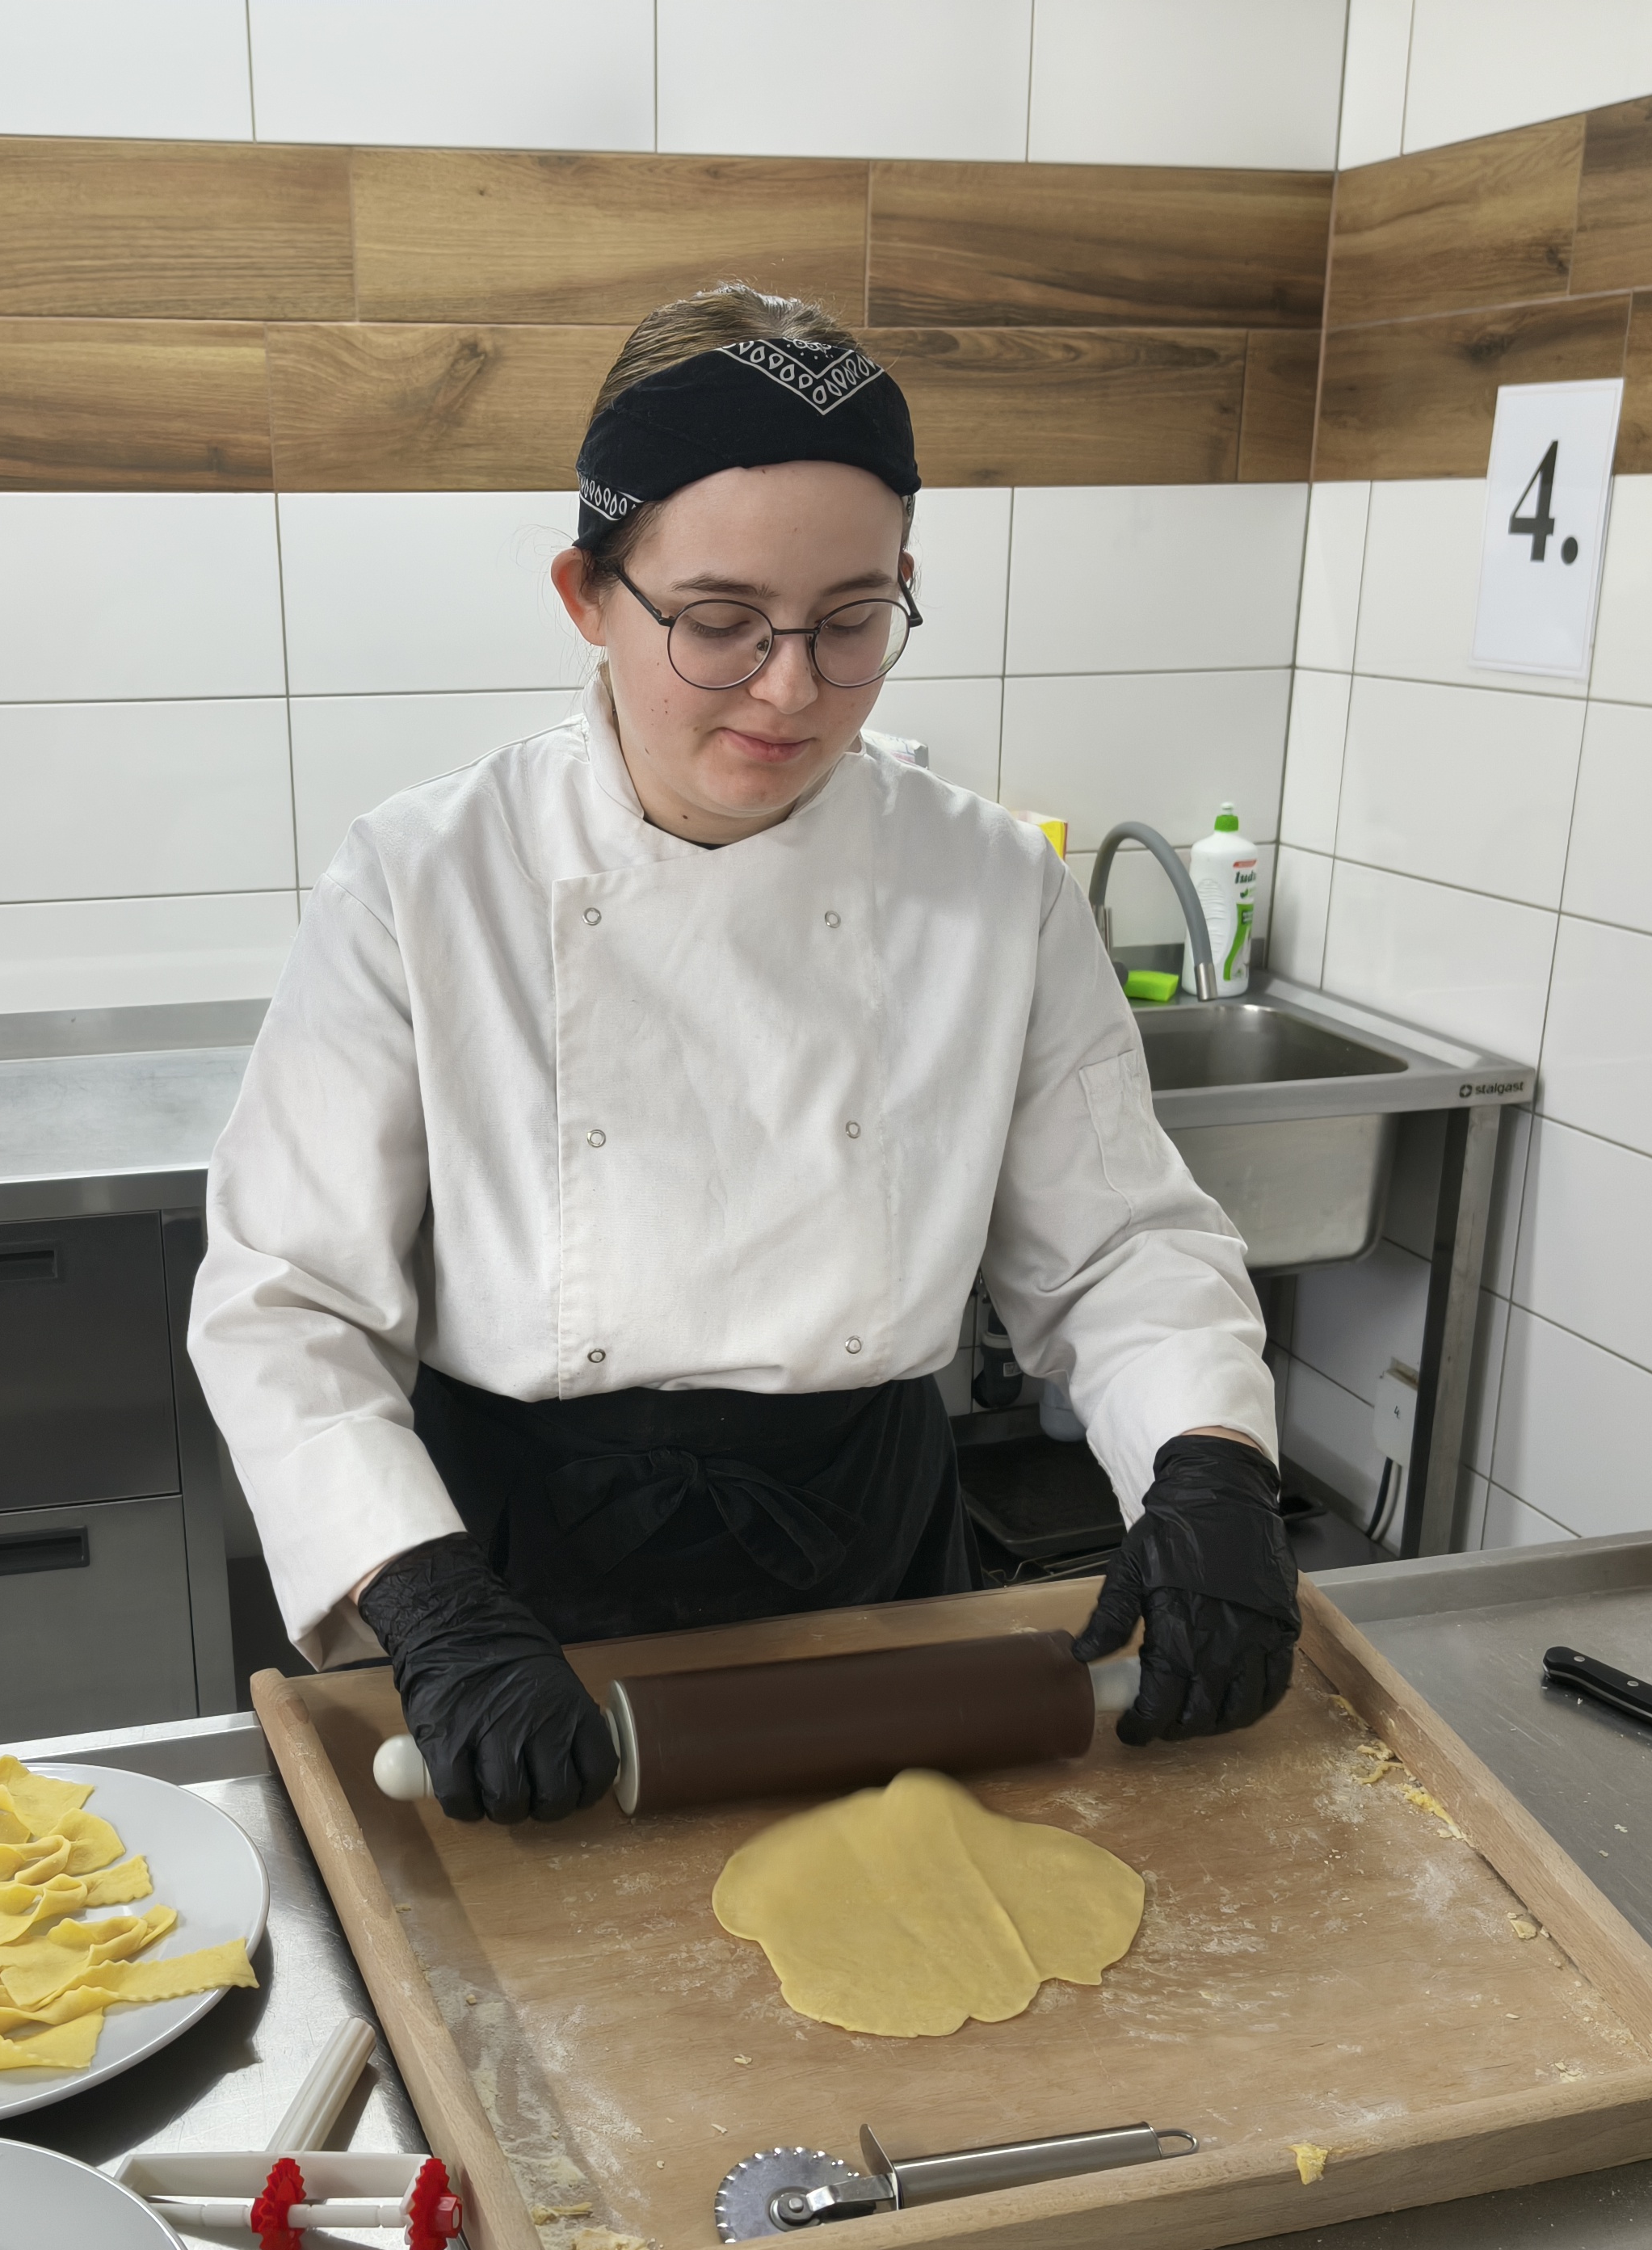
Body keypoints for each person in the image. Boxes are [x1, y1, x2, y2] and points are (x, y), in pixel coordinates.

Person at [191, 284, 1297, 1826]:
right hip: (514, 1579)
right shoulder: (427, 879)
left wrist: (1210, 1462)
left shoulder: (990, 885)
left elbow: (1118, 1247)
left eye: (852, 621)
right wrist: (426, 1602)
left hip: (878, 1571)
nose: (791, 687)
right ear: (588, 594)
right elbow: (288, 1299)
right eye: (718, 623)